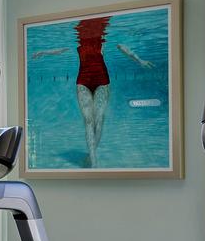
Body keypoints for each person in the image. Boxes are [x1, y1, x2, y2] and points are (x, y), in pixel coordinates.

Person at [33, 16, 152, 167]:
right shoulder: (80, 40)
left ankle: (92, 154)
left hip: (102, 80)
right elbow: (61, 49)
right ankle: (93, 159)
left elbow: (122, 46)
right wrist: (44, 52)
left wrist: (139, 60)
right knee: (88, 121)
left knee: (99, 118)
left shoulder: (103, 37)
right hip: (83, 81)